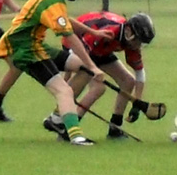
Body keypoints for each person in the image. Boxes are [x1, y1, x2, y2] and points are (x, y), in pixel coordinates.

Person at [0, 0, 113, 146]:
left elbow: (65, 20)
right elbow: (70, 37)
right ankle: (76, 136)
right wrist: (93, 66)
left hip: (35, 44)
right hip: (24, 48)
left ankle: (57, 119)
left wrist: (93, 33)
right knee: (64, 90)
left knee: (83, 69)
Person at [43, 11, 155, 140]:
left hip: (101, 50)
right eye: (139, 41)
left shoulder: (130, 42)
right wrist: (71, 73)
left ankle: (115, 128)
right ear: (129, 32)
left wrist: (137, 102)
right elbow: (80, 51)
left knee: (128, 81)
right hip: (77, 43)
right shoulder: (108, 32)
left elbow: (139, 72)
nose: (138, 45)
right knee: (98, 88)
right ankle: (65, 124)